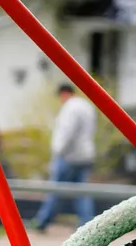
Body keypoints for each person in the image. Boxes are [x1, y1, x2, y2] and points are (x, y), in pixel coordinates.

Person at [32, 83, 97, 232]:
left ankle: (42, 222)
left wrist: (57, 151)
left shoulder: (70, 108)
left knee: (55, 189)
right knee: (81, 191)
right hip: (85, 155)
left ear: (64, 94)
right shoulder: (87, 107)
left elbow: (67, 132)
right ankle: (87, 225)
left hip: (69, 156)